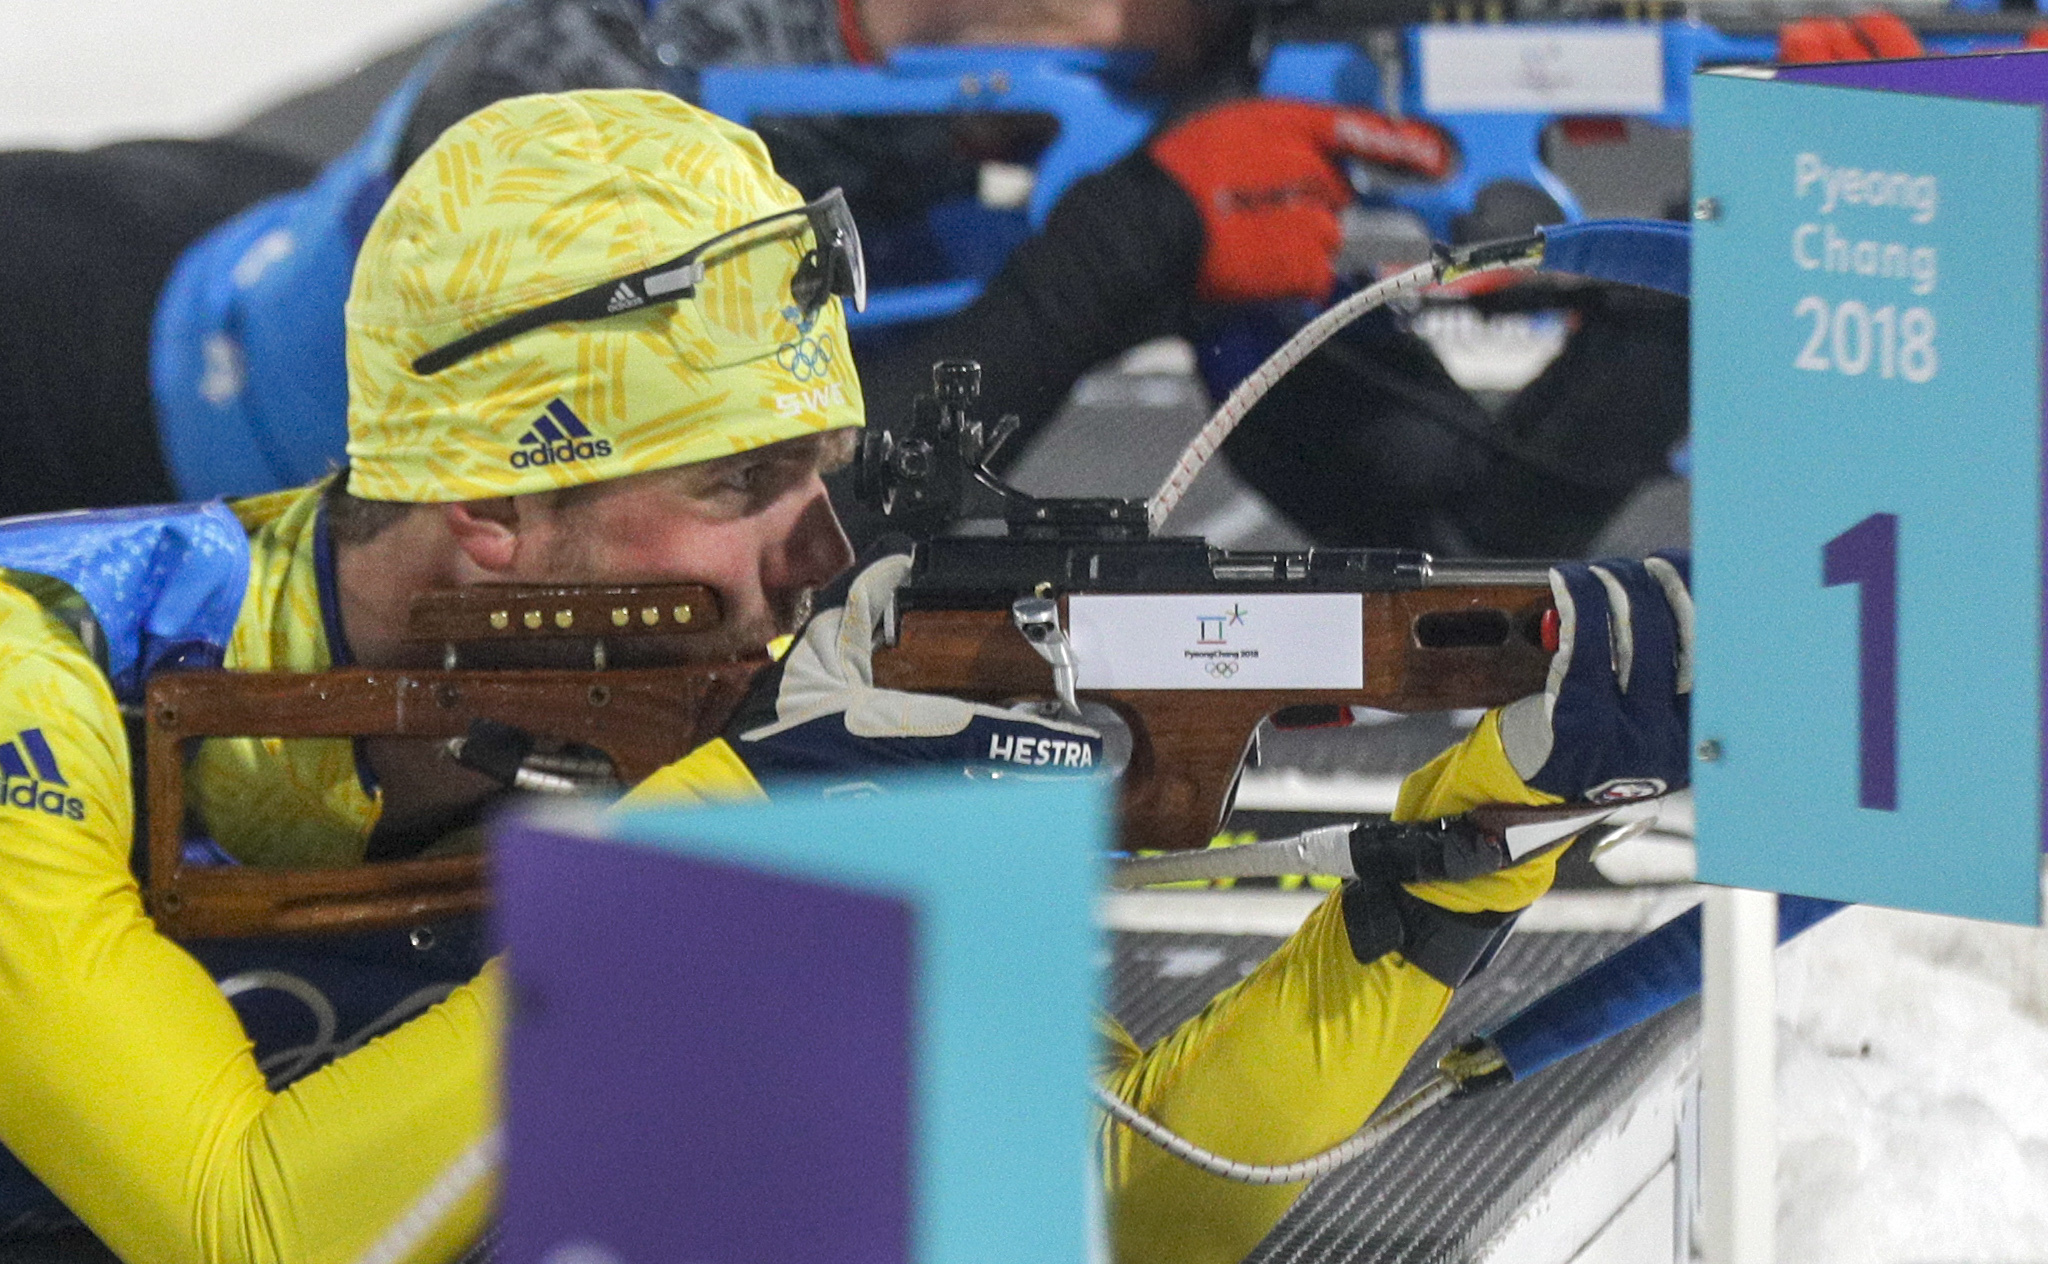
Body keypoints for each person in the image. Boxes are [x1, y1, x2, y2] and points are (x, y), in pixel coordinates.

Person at [0, 88, 1690, 1264]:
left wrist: (1482, 839)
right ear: (487, 512)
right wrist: (733, 835)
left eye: (824, 472)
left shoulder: (701, 716)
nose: (817, 557)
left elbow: (1143, 1204)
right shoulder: (47, 670)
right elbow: (253, 1251)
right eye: (740, 485)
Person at [0, 0, 1688, 563]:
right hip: (98, 356)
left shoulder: (1137, 128)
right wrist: (1138, 240)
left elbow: (1460, 533)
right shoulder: (606, 62)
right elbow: (723, 533)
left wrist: (1744, 222)